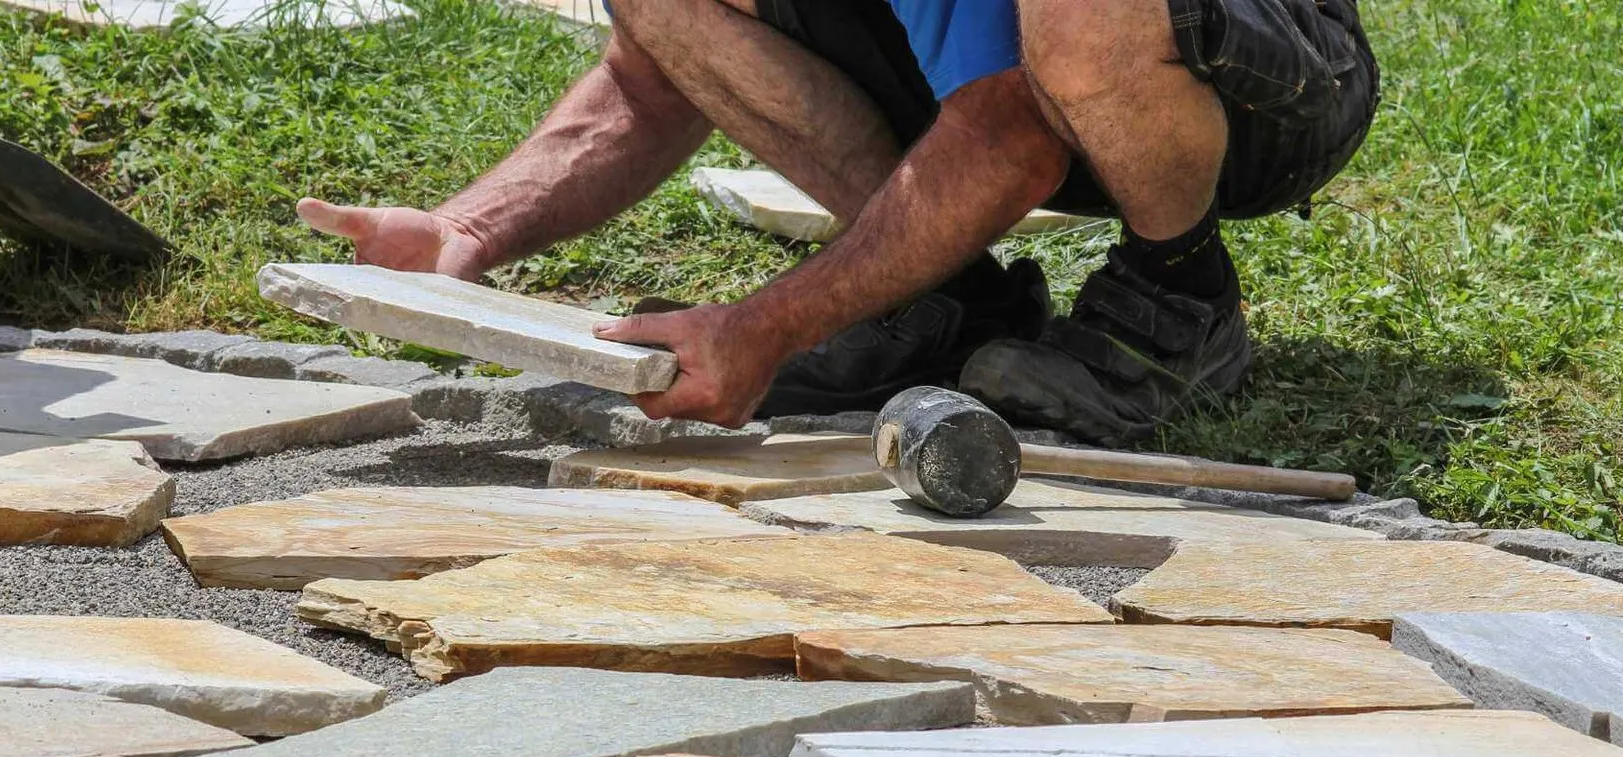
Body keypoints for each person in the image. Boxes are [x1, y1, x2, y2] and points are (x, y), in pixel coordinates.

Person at [299, 0, 1377, 446]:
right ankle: (940, 298)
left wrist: (768, 325)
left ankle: (1177, 294)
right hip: (1048, 81)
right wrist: (466, 232)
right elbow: (657, 73)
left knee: (1081, 14)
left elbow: (1012, 136)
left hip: (1257, 85)